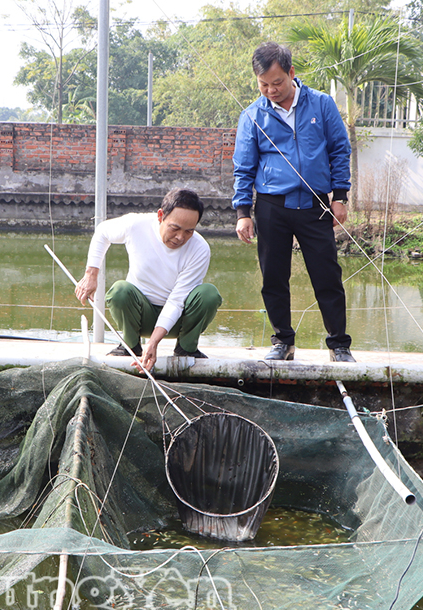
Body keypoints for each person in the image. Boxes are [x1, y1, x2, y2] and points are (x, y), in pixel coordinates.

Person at [232, 41, 355, 363]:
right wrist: (243, 212)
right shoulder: (252, 115)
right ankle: (282, 342)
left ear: (291, 73)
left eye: (277, 82)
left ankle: (339, 345)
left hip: (316, 204)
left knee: (327, 276)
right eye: (263, 85)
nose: (271, 90)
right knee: (273, 277)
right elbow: (243, 167)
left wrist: (340, 197)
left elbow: (340, 150)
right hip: (272, 206)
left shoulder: (321, 105)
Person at [75, 188, 222, 373]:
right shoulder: (137, 224)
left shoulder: (200, 249)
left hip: (179, 320)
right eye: (175, 228)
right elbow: (103, 232)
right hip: (140, 315)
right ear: (160, 216)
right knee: (120, 290)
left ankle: (186, 349)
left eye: (189, 231)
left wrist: (153, 343)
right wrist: (91, 275)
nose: (180, 237)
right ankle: (130, 346)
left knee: (208, 294)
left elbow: (177, 301)